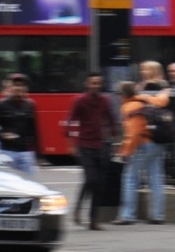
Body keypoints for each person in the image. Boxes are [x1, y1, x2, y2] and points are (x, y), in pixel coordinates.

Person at [65, 72, 117, 230]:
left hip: (101, 146)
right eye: (92, 83)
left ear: (101, 85)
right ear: (87, 84)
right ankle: (78, 209)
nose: (95, 86)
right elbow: (69, 123)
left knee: (99, 184)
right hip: (85, 145)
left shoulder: (104, 101)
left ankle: (93, 220)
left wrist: (114, 140)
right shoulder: (80, 101)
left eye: (98, 83)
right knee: (91, 179)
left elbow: (112, 120)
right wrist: (72, 146)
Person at [115, 79, 168, 224]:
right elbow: (163, 101)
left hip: (142, 145)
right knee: (156, 179)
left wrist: (125, 152)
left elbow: (133, 133)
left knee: (130, 178)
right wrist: (165, 91)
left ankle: (127, 215)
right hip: (157, 143)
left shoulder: (129, 107)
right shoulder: (148, 100)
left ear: (123, 95)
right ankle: (158, 215)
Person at [0, 73, 39, 173]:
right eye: (15, 85)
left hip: (26, 153)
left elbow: (35, 130)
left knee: (29, 184)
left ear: (26, 89)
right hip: (7, 152)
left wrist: (37, 155)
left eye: (21, 85)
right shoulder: (0, 104)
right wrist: (2, 136)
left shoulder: (30, 105)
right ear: (10, 88)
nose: (19, 88)